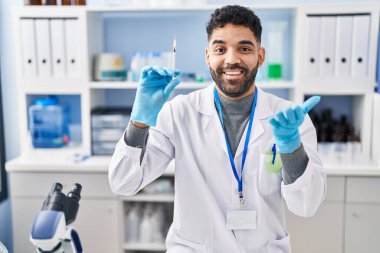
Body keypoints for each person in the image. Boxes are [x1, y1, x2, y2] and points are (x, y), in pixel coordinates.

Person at [109, 5, 326, 253]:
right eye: (220, 49)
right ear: (207, 56)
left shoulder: (290, 120)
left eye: (244, 48)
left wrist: (291, 147)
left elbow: (306, 206)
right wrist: (139, 121)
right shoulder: (179, 113)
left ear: (261, 55)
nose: (231, 59)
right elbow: (123, 183)